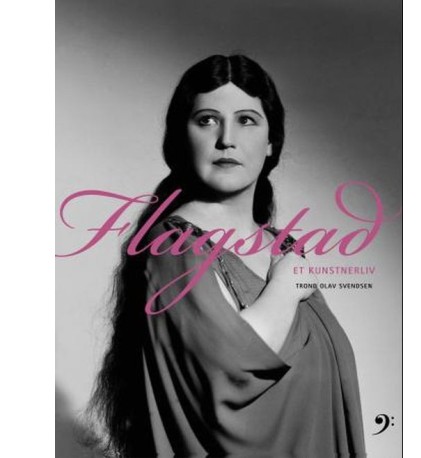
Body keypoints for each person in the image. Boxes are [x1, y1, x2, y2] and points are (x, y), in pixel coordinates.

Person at [87, 55, 366, 458]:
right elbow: (227, 375)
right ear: (181, 137)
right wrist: (286, 287)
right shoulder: (173, 244)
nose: (226, 139)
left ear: (271, 142)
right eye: (207, 120)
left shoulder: (285, 249)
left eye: (247, 120)